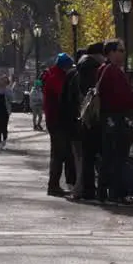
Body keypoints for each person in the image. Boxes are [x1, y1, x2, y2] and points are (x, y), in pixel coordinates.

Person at [94, 40, 133, 204]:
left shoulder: (104, 70)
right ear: (111, 52)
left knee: (109, 156)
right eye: (120, 50)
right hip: (115, 118)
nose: (123, 53)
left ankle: (104, 191)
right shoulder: (112, 71)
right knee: (117, 156)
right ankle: (116, 193)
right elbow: (121, 97)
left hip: (109, 118)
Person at [61, 42, 105, 202]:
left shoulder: (73, 73)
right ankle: (84, 188)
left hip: (74, 121)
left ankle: (79, 187)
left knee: (78, 157)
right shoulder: (95, 72)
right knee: (86, 157)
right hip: (88, 121)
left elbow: (64, 100)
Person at [43, 53, 76, 197]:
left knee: (59, 153)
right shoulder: (56, 78)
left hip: (55, 119)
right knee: (58, 153)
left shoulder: (53, 75)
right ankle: (53, 185)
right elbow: (62, 95)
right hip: (57, 120)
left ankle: (55, 184)